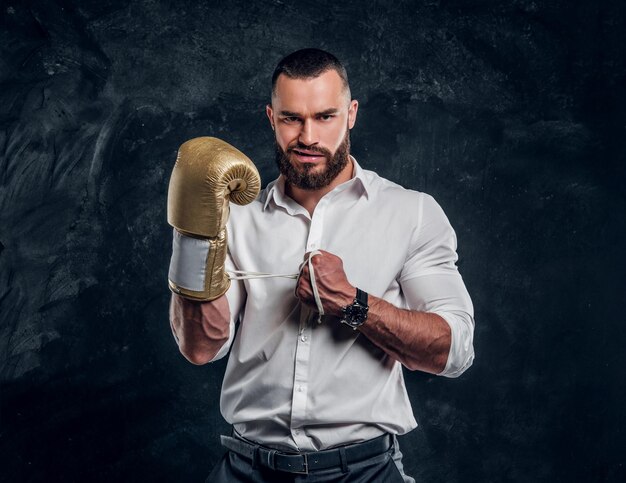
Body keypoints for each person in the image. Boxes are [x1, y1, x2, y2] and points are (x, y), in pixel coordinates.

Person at [168, 48, 475, 482]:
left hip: (365, 471)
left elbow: (455, 349)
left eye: (325, 117)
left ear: (350, 114)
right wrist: (194, 234)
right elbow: (200, 348)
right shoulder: (236, 217)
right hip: (248, 470)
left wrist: (353, 303)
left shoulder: (412, 213)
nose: (308, 136)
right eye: (292, 118)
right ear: (271, 118)